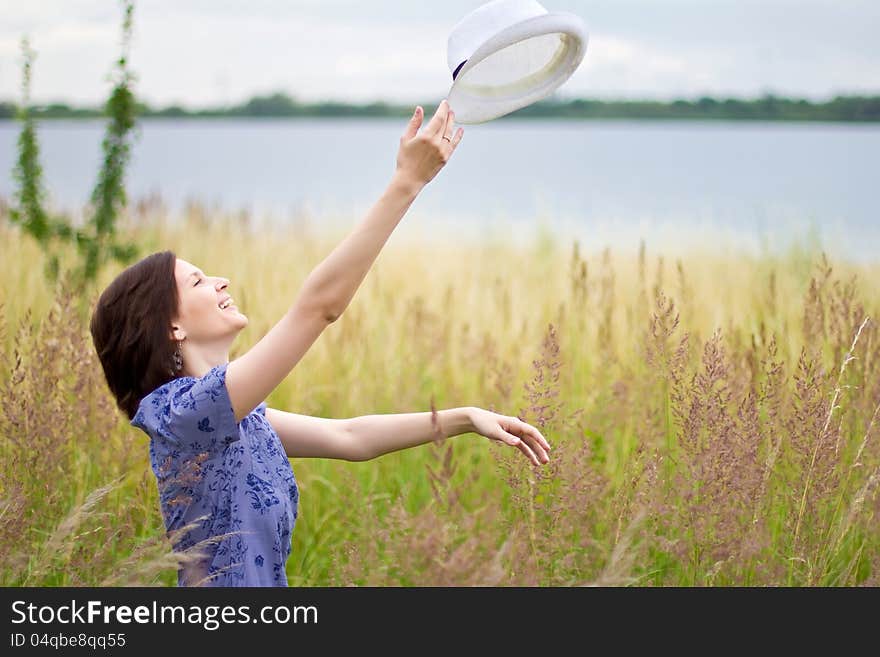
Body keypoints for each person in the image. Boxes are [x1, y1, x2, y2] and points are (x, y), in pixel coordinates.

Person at [89, 100, 551, 587]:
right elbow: (318, 308)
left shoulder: (236, 416)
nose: (222, 281)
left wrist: (464, 418)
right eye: (200, 282)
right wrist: (407, 183)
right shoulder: (184, 417)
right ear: (171, 328)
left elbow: (350, 438)